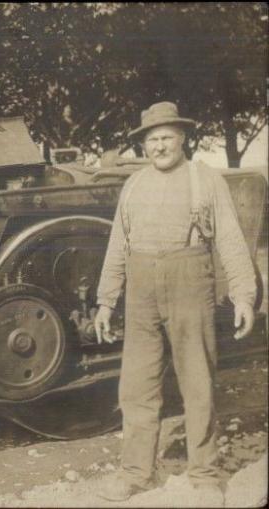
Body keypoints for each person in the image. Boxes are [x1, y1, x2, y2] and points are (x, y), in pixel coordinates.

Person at [93, 101, 256, 505]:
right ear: (143, 145)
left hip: (190, 280)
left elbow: (231, 240)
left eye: (167, 137)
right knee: (137, 384)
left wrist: (244, 294)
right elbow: (118, 244)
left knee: (197, 380)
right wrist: (105, 301)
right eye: (152, 139)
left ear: (183, 138)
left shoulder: (205, 179)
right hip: (141, 286)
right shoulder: (133, 185)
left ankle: (204, 475)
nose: (160, 146)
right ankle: (136, 472)